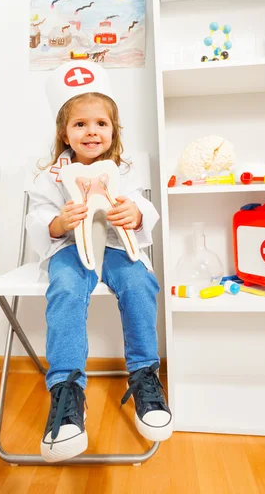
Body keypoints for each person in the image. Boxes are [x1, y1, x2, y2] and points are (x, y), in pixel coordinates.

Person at [26, 60, 172, 463]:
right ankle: (67, 390)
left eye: (101, 124)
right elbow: (38, 219)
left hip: (117, 247)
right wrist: (58, 223)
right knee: (67, 289)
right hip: (71, 249)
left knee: (140, 282)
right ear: (64, 133)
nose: (92, 131)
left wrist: (136, 214)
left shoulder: (125, 170)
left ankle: (145, 376)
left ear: (113, 130)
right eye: (80, 124)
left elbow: (143, 206)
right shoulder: (48, 177)